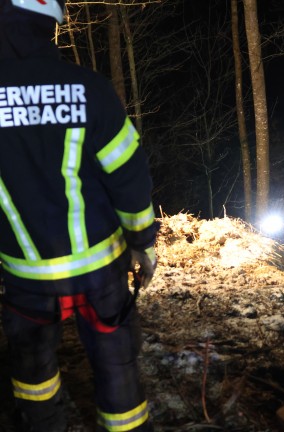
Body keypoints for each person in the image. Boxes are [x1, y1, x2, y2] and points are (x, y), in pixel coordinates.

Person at [0, 1, 158, 431]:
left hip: (26, 278)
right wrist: (142, 241)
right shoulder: (88, 88)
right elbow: (129, 177)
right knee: (117, 367)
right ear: (49, 25)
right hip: (99, 273)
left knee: (33, 375)